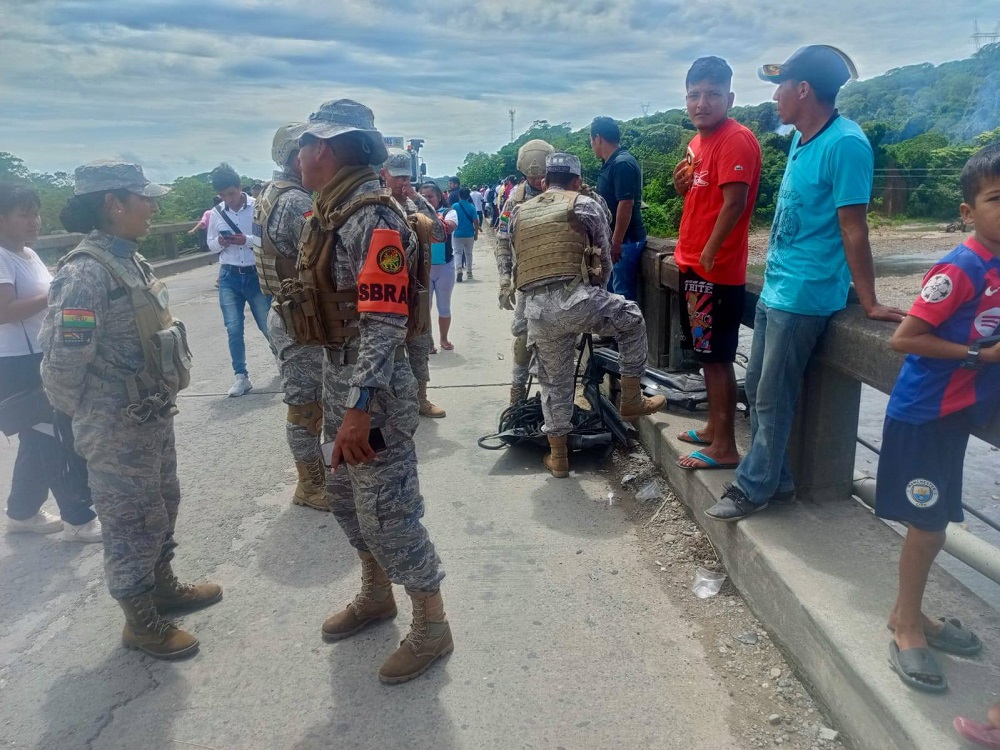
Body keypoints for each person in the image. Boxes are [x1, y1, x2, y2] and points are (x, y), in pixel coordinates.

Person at [706, 45, 906, 522]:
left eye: (780, 87)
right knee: (758, 388)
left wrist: (870, 301)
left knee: (772, 396)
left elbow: (854, 228)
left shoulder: (846, 144)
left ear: (802, 89)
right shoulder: (801, 137)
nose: (774, 97)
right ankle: (780, 482)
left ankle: (752, 488)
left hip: (805, 294)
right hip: (777, 286)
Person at [294, 99, 452, 684]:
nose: (299, 155)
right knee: (342, 498)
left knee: (389, 514)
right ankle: (376, 593)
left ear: (324, 149)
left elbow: (384, 323)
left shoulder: (373, 217)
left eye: (305, 145)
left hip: (374, 395)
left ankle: (432, 625)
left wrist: (358, 407)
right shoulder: (331, 211)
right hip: (342, 382)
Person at [39, 160, 221, 659]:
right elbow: (63, 364)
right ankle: (139, 620)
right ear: (113, 204)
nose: (153, 207)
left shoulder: (129, 259)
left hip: (150, 414)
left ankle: (161, 586)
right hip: (115, 426)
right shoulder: (84, 273)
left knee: (161, 504)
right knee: (129, 520)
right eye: (144, 198)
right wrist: (93, 418)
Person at [876, 144, 1000, 692]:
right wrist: (979, 356)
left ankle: (913, 614)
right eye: (996, 199)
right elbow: (905, 338)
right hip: (925, 414)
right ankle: (906, 623)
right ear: (969, 212)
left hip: (956, 414)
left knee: (936, 521)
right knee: (927, 525)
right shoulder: (960, 267)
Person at [510, 153, 665, 477]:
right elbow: (604, 261)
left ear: (544, 181)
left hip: (536, 310)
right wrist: (595, 300)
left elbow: (518, 263)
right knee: (632, 318)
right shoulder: (585, 205)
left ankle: (558, 457)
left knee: (554, 382)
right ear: (577, 181)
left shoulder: (520, 212)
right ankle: (632, 398)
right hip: (575, 299)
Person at [673, 57, 762, 471]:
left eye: (712, 94)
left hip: (714, 269)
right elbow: (702, 195)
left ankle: (725, 446)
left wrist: (709, 252)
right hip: (692, 264)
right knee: (706, 353)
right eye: (694, 95)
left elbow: (735, 202)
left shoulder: (735, 139)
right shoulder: (697, 142)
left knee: (718, 356)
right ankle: (713, 427)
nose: (702, 103)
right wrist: (681, 187)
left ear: (730, 98)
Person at [0, 183, 101, 543]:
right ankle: (78, 518)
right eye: (24, 214)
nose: (35, 221)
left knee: (36, 436)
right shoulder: (2, 257)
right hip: (18, 362)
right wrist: (54, 293)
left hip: (39, 353)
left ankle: (22, 512)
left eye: (36, 213)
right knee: (55, 435)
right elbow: (4, 312)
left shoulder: (27, 253)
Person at [252, 124, 328, 512]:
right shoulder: (296, 202)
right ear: (297, 158)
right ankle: (310, 485)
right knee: (306, 406)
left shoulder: (272, 193)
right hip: (300, 316)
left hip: (289, 309)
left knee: (314, 401)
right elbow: (329, 254)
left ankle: (319, 476)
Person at [380, 149, 447, 419]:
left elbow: (440, 233)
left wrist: (418, 199)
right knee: (386, 352)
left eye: (407, 177)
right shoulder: (376, 206)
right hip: (386, 292)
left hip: (415, 291)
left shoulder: (414, 205)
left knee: (419, 348)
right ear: (383, 174)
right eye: (397, 177)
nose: (402, 182)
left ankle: (421, 399)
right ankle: (386, 405)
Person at [496, 139, 554, 404]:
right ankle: (517, 393)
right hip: (528, 280)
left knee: (560, 342)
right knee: (522, 338)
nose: (536, 180)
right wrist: (504, 280)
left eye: (540, 176)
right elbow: (503, 240)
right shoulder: (514, 200)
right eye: (531, 177)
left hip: (564, 280)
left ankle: (555, 398)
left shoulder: (568, 191)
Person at [206, 163, 271, 398]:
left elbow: (268, 239)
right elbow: (210, 244)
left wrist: (246, 240)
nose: (228, 199)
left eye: (231, 193)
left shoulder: (258, 206)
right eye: (223, 195)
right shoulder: (217, 213)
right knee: (233, 327)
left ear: (240, 187)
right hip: (229, 274)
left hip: (255, 274)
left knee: (267, 324)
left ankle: (283, 363)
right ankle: (241, 376)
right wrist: (221, 242)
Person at [590, 116, 647, 301]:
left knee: (622, 295)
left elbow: (626, 203)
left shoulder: (622, 163)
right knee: (612, 293)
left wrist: (616, 242)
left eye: (591, 140)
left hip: (625, 242)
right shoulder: (609, 163)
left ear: (598, 138)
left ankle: (629, 322)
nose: (592, 145)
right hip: (616, 242)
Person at [419, 182, 458, 352]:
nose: (427, 200)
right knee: (424, 308)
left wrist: (429, 213)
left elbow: (448, 228)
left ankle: (443, 338)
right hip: (424, 268)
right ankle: (427, 341)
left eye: (430, 196)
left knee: (444, 307)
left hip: (445, 267)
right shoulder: (415, 214)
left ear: (439, 197)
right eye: (423, 197)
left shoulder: (450, 212)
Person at [451, 187, 480, 282]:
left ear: (459, 196)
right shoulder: (472, 207)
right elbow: (476, 221)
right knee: (469, 253)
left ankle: (459, 270)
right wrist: (476, 233)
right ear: (468, 196)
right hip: (469, 233)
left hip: (457, 233)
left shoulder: (454, 206)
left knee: (457, 253)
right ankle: (469, 272)